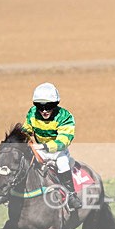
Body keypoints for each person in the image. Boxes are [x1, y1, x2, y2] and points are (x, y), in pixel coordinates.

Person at [23, 82, 81, 210]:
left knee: (63, 163)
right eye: (40, 106)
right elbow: (26, 129)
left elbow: (63, 141)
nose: (44, 111)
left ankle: (71, 195)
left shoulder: (65, 116)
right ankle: (8, 191)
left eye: (49, 106)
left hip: (58, 151)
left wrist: (44, 147)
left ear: (56, 104)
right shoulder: (32, 113)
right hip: (40, 150)